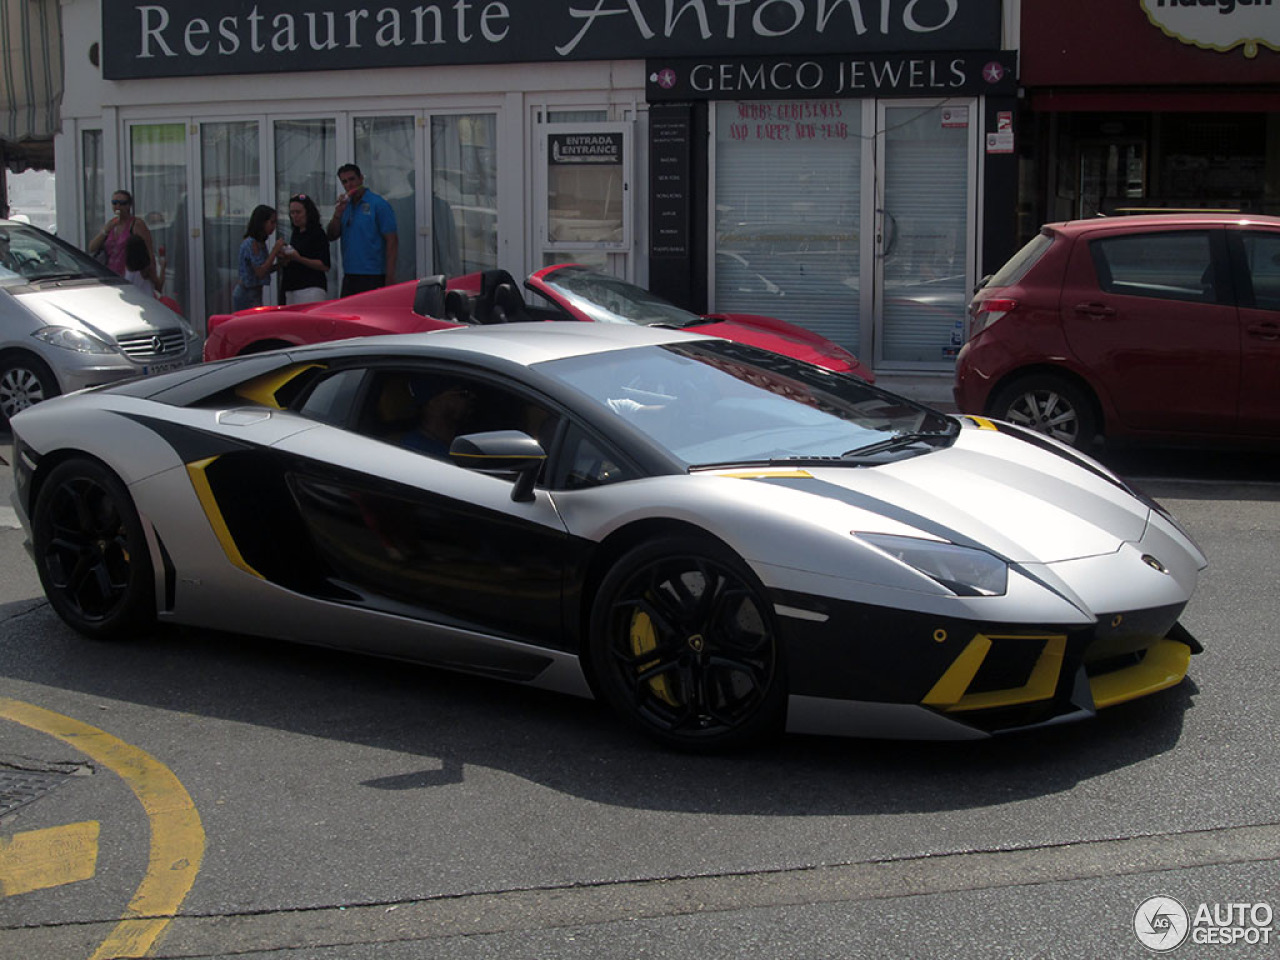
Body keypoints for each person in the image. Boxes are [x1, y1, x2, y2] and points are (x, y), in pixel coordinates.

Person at [326, 163, 398, 297]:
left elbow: (392, 241)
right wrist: (337, 214)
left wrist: (390, 276)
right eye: (345, 182)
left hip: (374, 274)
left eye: (352, 179)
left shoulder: (378, 204)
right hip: (350, 274)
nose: (349, 185)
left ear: (361, 179)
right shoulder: (345, 206)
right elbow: (331, 235)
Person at [87, 189, 155, 277]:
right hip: (111, 274)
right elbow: (92, 247)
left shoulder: (136, 224)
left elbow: (149, 251)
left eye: (122, 203)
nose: (118, 206)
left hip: (131, 275)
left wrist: (153, 276)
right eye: (114, 203)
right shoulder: (111, 225)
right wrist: (106, 230)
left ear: (129, 206)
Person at [278, 193, 331, 304]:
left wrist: (299, 258)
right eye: (292, 213)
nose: (295, 216)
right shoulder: (296, 233)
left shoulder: (317, 233)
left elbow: (324, 265)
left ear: (308, 212)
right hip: (292, 287)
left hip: (310, 289)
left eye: (298, 212)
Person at [400, 380, 475, 458]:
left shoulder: (465, 441)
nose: (473, 396)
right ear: (433, 401)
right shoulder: (415, 451)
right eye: (463, 394)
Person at [232, 205, 284, 311]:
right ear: (262, 222)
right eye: (271, 222)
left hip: (255, 292)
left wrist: (281, 264)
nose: (273, 227)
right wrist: (274, 251)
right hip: (246, 293)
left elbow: (265, 269)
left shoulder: (261, 243)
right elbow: (260, 271)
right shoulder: (252, 243)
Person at [123, 233, 165, 298]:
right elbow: (159, 287)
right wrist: (163, 267)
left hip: (133, 299)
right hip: (147, 301)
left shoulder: (128, 269)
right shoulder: (147, 269)